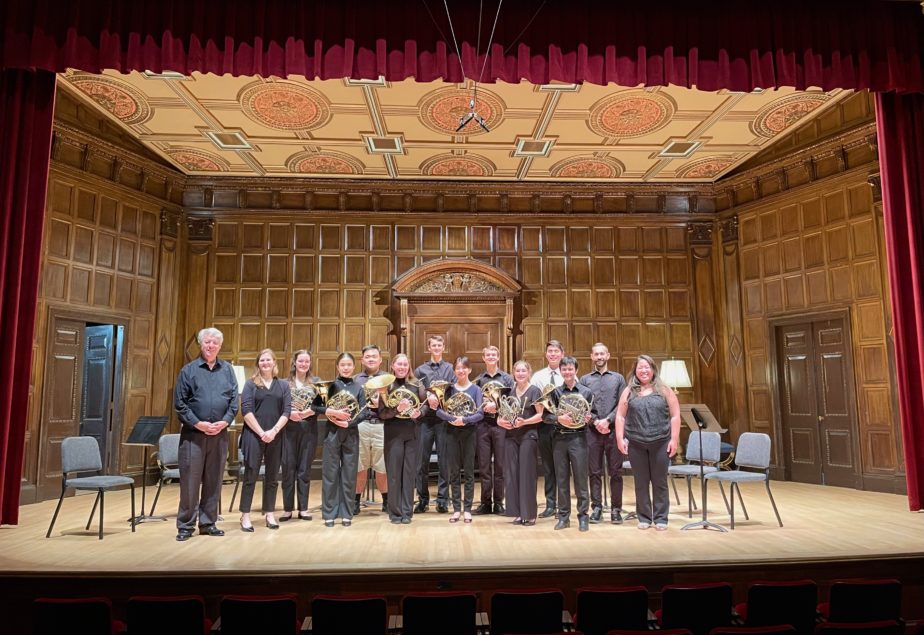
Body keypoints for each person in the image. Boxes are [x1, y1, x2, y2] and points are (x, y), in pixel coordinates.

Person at [173, 327, 238, 541]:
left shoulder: (228, 370)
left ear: (220, 346)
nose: (211, 346)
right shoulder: (188, 370)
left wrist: (225, 421)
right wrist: (198, 424)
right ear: (201, 344)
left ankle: (208, 522)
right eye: (207, 342)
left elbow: (233, 402)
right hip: (194, 436)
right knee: (190, 482)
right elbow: (180, 404)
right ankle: (185, 525)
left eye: (215, 343)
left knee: (214, 480)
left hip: (219, 435)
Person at [614, 355, 681, 530]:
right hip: (636, 442)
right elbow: (620, 416)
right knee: (641, 482)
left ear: (653, 369)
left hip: (661, 442)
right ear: (635, 371)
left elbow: (675, 415)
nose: (643, 371)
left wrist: (674, 439)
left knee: (659, 481)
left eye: (647, 367)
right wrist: (620, 438)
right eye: (640, 368)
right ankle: (644, 517)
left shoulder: (664, 389)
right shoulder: (629, 391)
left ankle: (661, 518)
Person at [239, 349, 291, 531]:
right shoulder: (250, 385)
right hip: (254, 435)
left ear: (274, 362)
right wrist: (262, 432)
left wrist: (274, 431)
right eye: (262, 360)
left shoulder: (283, 385)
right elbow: (246, 411)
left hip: (276, 436)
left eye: (268, 360)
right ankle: (245, 515)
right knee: (250, 475)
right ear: (258, 363)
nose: (265, 363)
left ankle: (269, 512)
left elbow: (287, 411)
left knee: (272, 477)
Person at [544, 356, 596, 531]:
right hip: (559, 439)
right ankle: (564, 517)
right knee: (562, 480)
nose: (567, 372)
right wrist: (560, 418)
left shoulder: (586, 392)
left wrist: (589, 418)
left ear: (576, 370)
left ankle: (583, 517)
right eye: (564, 369)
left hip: (578, 439)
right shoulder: (555, 392)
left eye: (570, 369)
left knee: (581, 480)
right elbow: (546, 416)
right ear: (560, 371)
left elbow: (593, 414)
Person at [317, 352, 369, 527]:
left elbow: (365, 411)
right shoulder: (330, 386)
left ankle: (347, 513)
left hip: (351, 433)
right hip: (332, 433)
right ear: (337, 367)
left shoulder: (358, 388)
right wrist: (332, 412)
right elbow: (315, 406)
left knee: (349, 475)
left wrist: (350, 422)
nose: (346, 368)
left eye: (349, 365)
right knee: (330, 474)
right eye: (343, 365)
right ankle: (329, 514)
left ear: (354, 367)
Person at [579, 343, 628, 524]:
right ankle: (597, 508)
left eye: (602, 354)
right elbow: (582, 405)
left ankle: (616, 509)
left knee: (616, 472)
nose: (599, 357)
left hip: (614, 430)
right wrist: (595, 421)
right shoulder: (584, 380)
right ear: (591, 357)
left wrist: (607, 420)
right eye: (596, 354)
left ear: (608, 355)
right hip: (592, 432)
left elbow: (623, 404)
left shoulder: (618, 378)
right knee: (594, 472)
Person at [378, 353, 427, 524]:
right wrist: (398, 409)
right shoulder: (387, 386)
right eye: (399, 364)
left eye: (405, 364)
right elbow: (382, 413)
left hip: (412, 433)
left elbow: (425, 405)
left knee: (409, 474)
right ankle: (395, 513)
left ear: (409, 366)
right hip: (393, 435)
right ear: (392, 366)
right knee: (394, 474)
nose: (402, 367)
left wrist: (419, 412)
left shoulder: (416, 384)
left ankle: (407, 512)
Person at [436, 356, 484, 523]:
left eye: (464, 368)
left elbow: (480, 413)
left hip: (469, 432)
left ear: (469, 370)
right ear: (454, 370)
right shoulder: (448, 389)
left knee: (469, 472)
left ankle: (468, 509)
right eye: (458, 368)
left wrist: (464, 420)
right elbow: (438, 411)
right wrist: (451, 418)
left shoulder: (476, 390)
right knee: (454, 472)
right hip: (450, 432)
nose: (461, 371)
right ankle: (456, 509)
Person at [497, 360, 544, 526]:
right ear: (513, 373)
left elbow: (541, 415)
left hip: (528, 436)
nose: (521, 374)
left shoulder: (535, 391)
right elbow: (502, 415)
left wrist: (525, 422)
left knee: (527, 475)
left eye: (524, 371)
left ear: (529, 372)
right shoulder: (509, 392)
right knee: (512, 475)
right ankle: (517, 512)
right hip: (511, 436)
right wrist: (500, 422)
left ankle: (529, 514)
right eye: (518, 371)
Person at [414, 335, 455, 514]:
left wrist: (439, 398)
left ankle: (442, 500)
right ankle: (422, 499)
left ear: (443, 347)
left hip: (443, 419)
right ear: (428, 347)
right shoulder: (420, 370)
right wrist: (427, 397)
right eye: (434, 345)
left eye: (440, 345)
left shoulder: (450, 369)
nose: (437, 347)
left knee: (444, 462)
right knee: (421, 463)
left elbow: (453, 391)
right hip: (424, 420)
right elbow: (415, 392)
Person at [473, 345, 514, 515]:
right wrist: (484, 406)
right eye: (487, 354)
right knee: (483, 467)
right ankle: (485, 503)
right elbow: (474, 403)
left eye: (493, 354)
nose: (490, 357)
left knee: (500, 466)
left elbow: (512, 401)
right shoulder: (478, 380)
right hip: (482, 425)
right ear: (483, 358)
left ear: (498, 357)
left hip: (500, 425)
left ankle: (498, 502)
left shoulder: (507, 379)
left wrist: (495, 406)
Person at [280, 349, 319, 522]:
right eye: (301, 361)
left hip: (308, 429)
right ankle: (288, 509)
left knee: (304, 470)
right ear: (294, 362)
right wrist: (289, 413)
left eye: (307, 361)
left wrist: (310, 411)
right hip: (288, 429)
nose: (304, 364)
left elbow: (322, 405)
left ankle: (303, 508)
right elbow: (278, 405)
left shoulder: (316, 383)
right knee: (288, 470)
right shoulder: (283, 383)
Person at [530, 339, 565, 518]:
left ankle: (563, 506)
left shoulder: (568, 373)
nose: (553, 354)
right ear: (546, 354)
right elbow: (533, 398)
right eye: (550, 351)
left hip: (563, 426)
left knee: (561, 468)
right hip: (544, 425)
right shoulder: (538, 376)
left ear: (562, 354)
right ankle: (550, 504)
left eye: (556, 351)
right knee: (548, 467)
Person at [354, 345, 388, 515]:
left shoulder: (389, 379)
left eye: (374, 356)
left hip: (381, 425)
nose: (371, 359)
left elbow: (393, 404)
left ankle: (387, 501)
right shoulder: (355, 380)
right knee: (360, 466)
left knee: (382, 467)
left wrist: (380, 403)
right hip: (361, 426)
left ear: (380, 359)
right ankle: (355, 501)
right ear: (362, 360)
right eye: (367, 356)